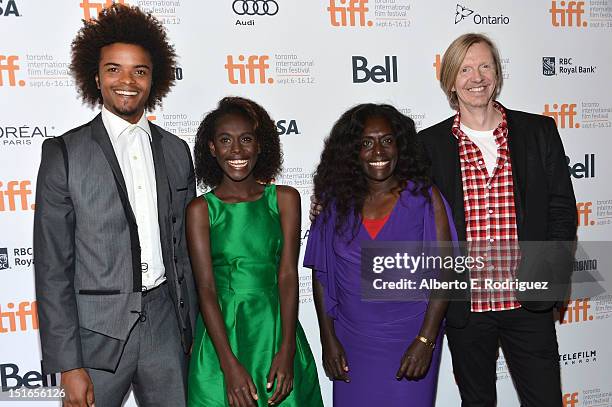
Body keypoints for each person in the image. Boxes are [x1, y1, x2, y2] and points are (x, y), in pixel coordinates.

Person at [33, 4, 197, 406]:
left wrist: (193, 335)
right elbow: (53, 267)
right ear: (96, 76)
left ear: (152, 78)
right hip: (95, 338)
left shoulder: (177, 151)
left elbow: (187, 252)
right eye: (114, 69)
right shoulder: (64, 153)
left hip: (166, 328)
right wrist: (68, 364)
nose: (127, 81)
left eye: (138, 71)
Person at [418, 33, 577, 406]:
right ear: (451, 81)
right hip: (466, 307)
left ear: (498, 73)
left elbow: (561, 210)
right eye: (466, 69)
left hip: (528, 302)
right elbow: (407, 210)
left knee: (546, 400)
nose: (477, 77)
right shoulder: (428, 145)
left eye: (485, 66)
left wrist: (550, 273)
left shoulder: (538, 132)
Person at [303, 104, 456, 406]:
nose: (378, 152)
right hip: (351, 340)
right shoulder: (334, 203)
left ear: (400, 145)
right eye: (366, 143)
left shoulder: (425, 198)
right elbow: (321, 274)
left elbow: (446, 273)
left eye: (387, 140)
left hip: (411, 337)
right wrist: (328, 338)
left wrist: (426, 340)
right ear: (352, 151)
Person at [186, 97, 323, 407]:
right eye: (225, 140)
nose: (236, 150)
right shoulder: (200, 210)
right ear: (212, 148)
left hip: (275, 332)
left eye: (246, 139)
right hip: (221, 339)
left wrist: (287, 349)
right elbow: (205, 289)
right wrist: (228, 364)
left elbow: (288, 275)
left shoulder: (284, 199)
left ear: (261, 145)